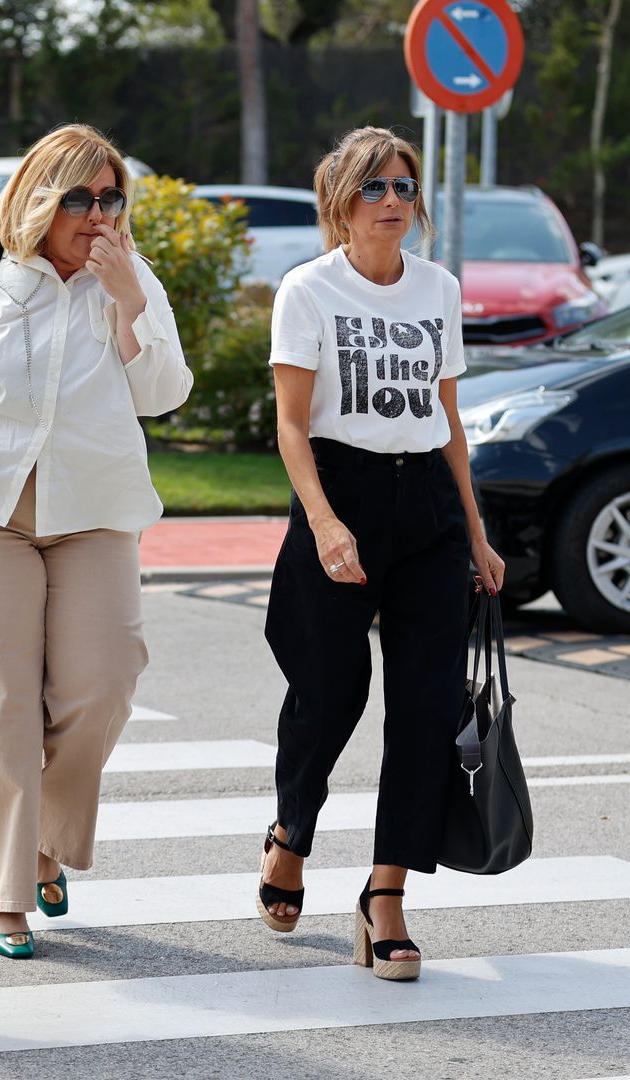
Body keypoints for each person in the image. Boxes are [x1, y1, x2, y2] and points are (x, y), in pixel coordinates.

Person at [0, 124, 192, 959]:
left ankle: (46, 842)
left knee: (105, 684)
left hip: (95, 512)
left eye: (110, 198)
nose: (96, 214)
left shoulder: (129, 278)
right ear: (41, 196)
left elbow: (163, 394)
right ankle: (6, 893)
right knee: (2, 703)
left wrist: (127, 301)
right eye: (78, 196)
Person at [257, 126, 504, 981]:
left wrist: (474, 531)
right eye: (375, 189)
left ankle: (386, 895)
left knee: (427, 707)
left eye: (404, 188)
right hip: (341, 495)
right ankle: (292, 833)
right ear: (340, 203)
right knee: (328, 695)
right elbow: (291, 424)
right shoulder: (308, 290)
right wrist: (325, 524)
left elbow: (449, 421)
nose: (394, 202)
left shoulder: (438, 289)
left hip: (427, 507)